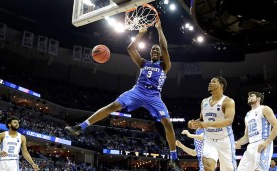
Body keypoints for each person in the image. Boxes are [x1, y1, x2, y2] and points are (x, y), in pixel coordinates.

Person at [65, 19, 183, 171]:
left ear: (160, 54)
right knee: (113, 106)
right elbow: (130, 48)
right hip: (138, 90)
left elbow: (165, 48)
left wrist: (159, 29)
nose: (155, 51)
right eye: (153, 50)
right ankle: (80, 127)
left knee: (168, 124)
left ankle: (174, 158)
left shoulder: (164, 66)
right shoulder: (143, 63)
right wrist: (140, 34)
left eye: (157, 50)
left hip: (154, 96)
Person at [190, 76, 237, 171]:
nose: (210, 83)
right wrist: (193, 123)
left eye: (213, 82)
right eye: (210, 82)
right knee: (207, 164)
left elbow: (229, 121)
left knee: (229, 169)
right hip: (209, 139)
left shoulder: (228, 101)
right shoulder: (204, 102)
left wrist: (208, 124)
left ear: (221, 86)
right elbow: (202, 119)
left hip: (225, 139)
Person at [236, 91, 277, 171]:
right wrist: (237, 143)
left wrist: (267, 142)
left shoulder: (264, 109)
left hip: (262, 143)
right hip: (251, 146)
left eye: (251, 96)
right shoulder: (247, 115)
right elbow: (246, 137)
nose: (249, 97)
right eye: (248, 96)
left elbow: (276, 125)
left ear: (258, 98)